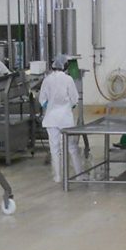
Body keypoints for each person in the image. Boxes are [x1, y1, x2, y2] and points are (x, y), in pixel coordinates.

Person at [38, 55, 84, 184]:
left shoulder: (47, 79)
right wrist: (68, 107)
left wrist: (50, 107)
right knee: (71, 147)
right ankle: (79, 174)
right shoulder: (68, 79)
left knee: (54, 149)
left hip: (51, 118)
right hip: (65, 119)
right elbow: (74, 99)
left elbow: (42, 100)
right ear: (65, 66)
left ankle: (57, 176)